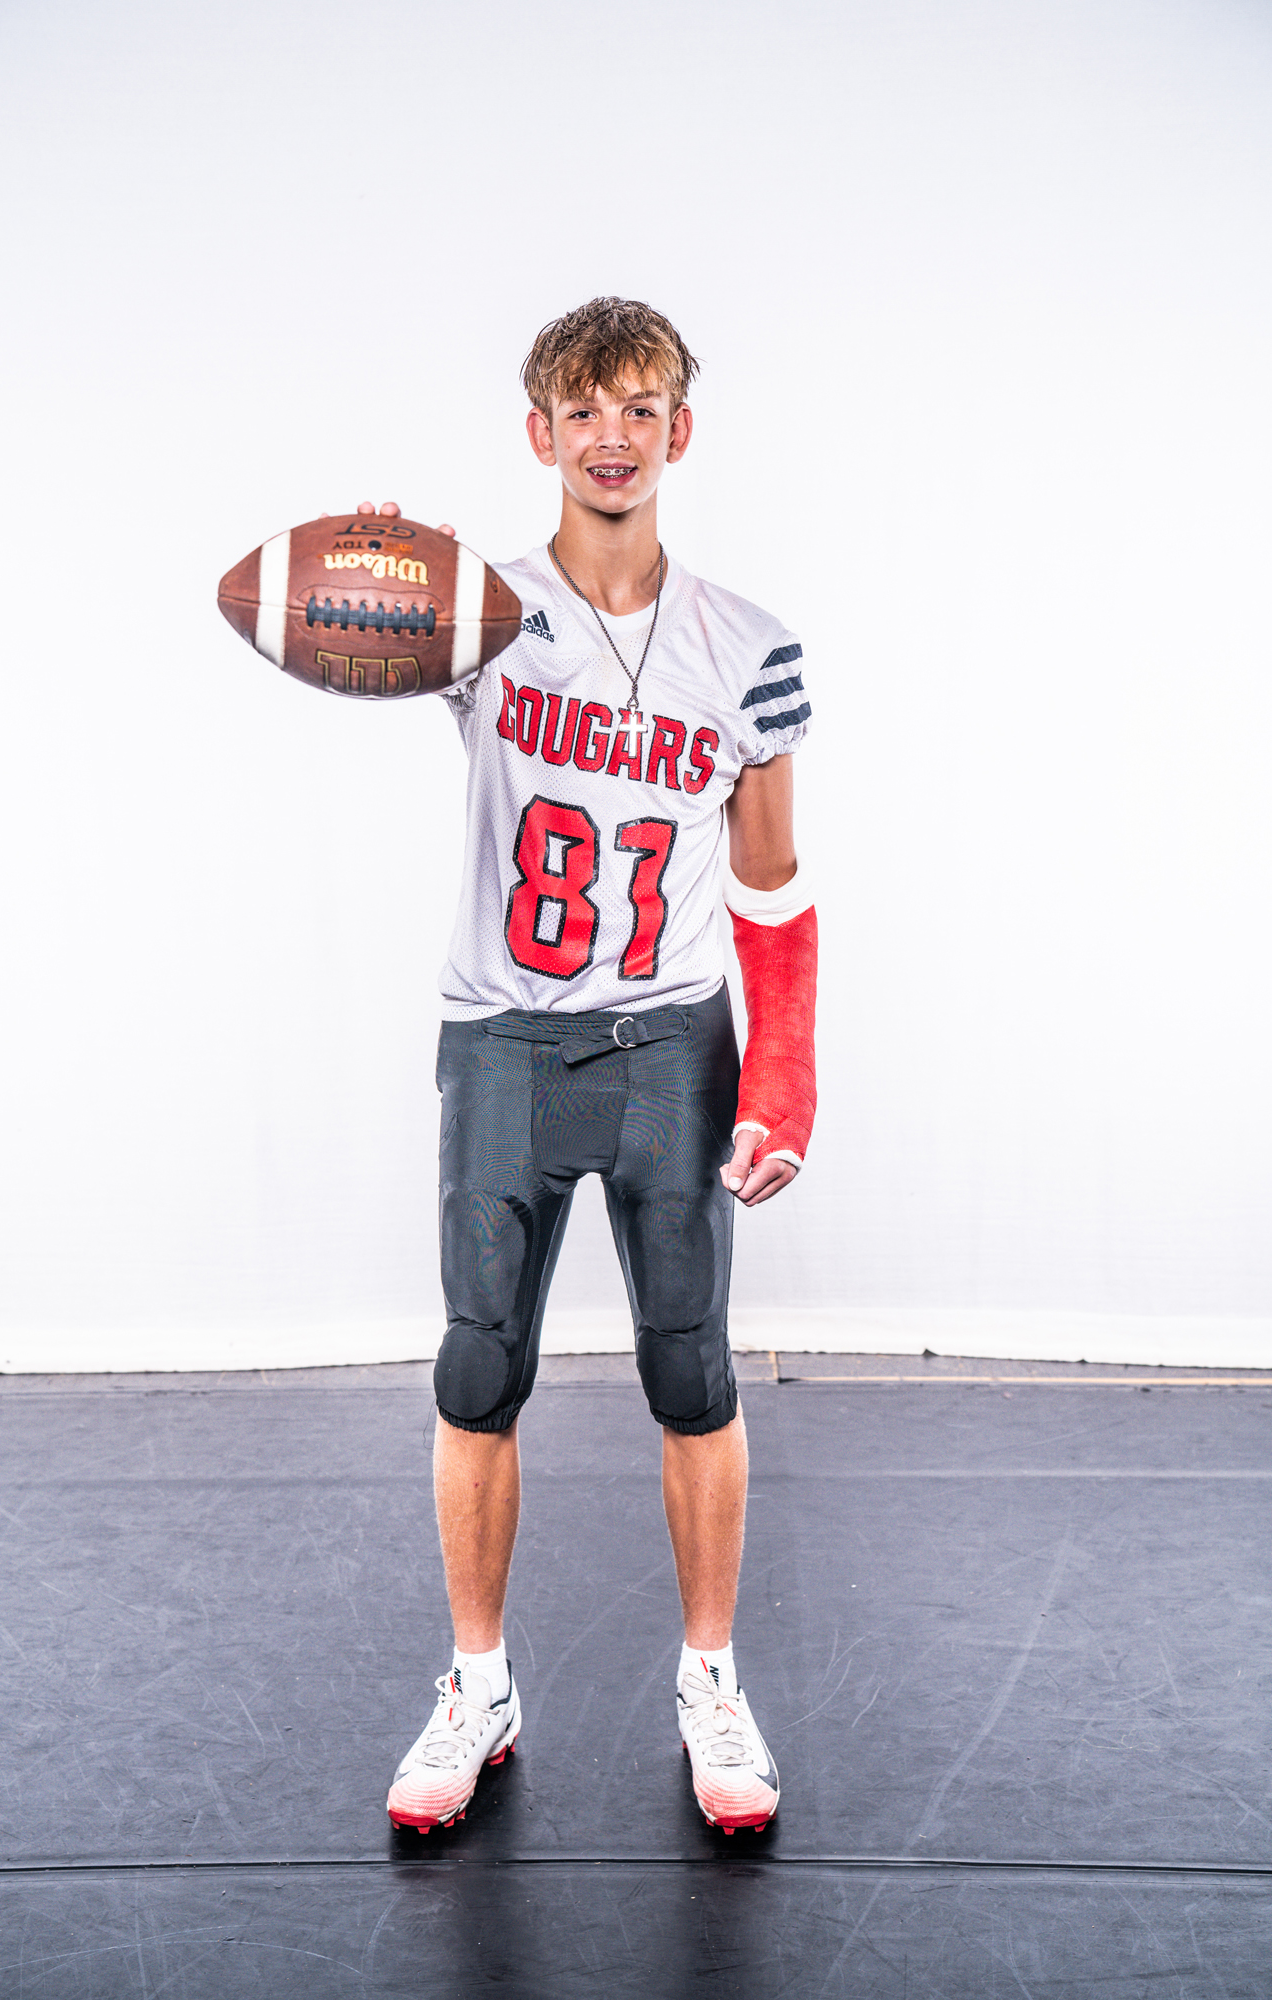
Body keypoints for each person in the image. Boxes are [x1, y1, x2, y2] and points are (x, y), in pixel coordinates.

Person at [378, 297, 817, 1836]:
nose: (611, 436)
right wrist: (382, 576)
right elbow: (353, 643)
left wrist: (784, 1072)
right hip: (503, 1034)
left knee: (690, 1370)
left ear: (677, 430)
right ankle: (477, 1682)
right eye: (583, 409)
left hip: (667, 1042)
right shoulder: (478, 614)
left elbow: (770, 880)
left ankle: (710, 1681)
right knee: (476, 1364)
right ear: (539, 433)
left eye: (639, 408)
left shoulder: (745, 644)